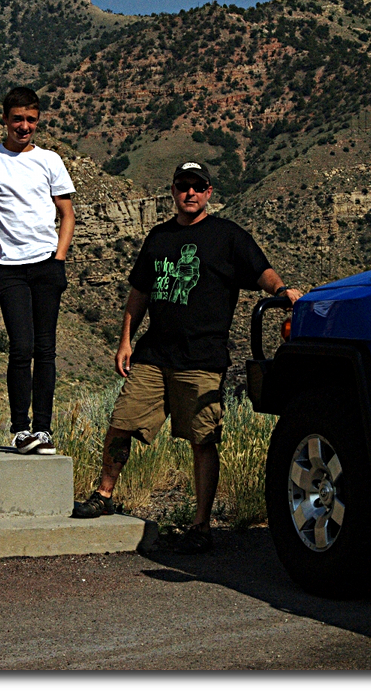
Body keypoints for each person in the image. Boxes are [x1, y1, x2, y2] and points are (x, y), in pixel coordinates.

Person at [72, 160, 302, 554]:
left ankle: (201, 525)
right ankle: (104, 493)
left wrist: (283, 291)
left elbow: (261, 271)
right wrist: (125, 340)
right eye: (183, 186)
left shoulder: (228, 236)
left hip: (202, 358)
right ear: (174, 191)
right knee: (121, 422)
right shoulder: (158, 237)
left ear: (209, 192)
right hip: (154, 354)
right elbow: (139, 292)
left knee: (202, 439)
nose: (190, 193)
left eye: (198, 186)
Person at [0, 87, 76, 454]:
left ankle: (43, 429)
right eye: (17, 119)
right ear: (4, 119)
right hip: (10, 269)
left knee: (46, 349)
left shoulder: (50, 160)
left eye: (31, 120)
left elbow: (66, 213)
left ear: (38, 121)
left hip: (46, 264)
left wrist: (59, 257)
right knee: (21, 347)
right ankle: (20, 430)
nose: (24, 126)